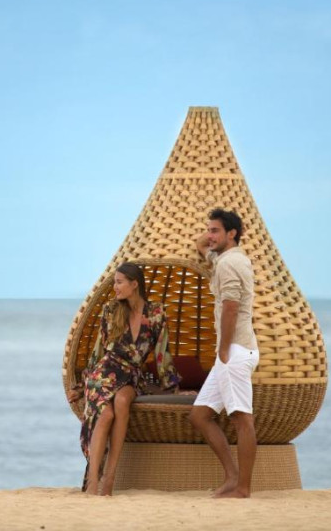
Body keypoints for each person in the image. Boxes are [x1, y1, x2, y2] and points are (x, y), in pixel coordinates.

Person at [67, 262, 181, 496]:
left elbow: (162, 352)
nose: (115, 288)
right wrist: (81, 386)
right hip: (104, 373)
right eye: (115, 283)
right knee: (106, 414)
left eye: (119, 282)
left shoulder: (156, 313)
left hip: (132, 374)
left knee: (122, 401)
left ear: (134, 284)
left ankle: (110, 477)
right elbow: (98, 351)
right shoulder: (111, 310)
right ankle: (94, 482)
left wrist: (171, 386)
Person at [188, 208, 260, 498]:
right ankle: (232, 477)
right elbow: (201, 244)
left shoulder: (229, 264)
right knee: (200, 415)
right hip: (234, 352)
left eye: (215, 230)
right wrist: (212, 237)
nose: (209, 235)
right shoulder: (227, 258)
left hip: (234, 351)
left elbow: (231, 307)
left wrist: (223, 349)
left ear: (232, 234)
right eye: (209, 229)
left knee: (242, 420)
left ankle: (243, 488)